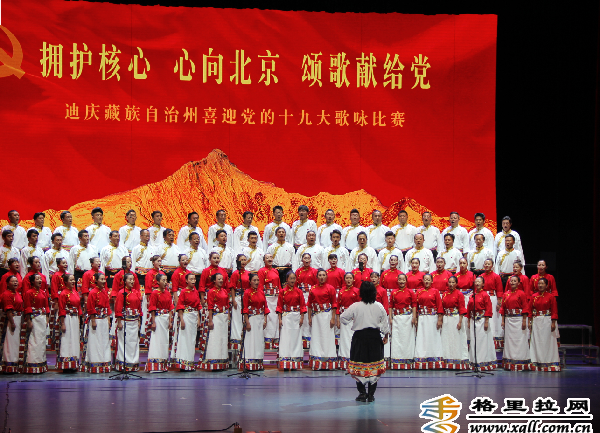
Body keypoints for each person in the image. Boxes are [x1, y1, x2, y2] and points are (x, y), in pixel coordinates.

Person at [341, 281, 389, 403]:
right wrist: (386, 335)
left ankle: (362, 393)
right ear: (374, 292)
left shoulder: (355, 306)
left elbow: (343, 318)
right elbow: (385, 323)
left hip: (360, 337)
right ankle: (371, 395)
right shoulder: (379, 306)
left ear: (361, 292)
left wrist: (354, 320)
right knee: (374, 365)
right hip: (374, 337)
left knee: (359, 364)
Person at [81, 273, 112, 373]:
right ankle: (95, 363)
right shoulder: (93, 292)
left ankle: (104, 362)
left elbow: (107, 306)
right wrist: (93, 320)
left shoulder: (104, 292)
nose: (103, 281)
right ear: (96, 281)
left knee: (104, 341)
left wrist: (108, 319)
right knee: (95, 341)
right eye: (101, 279)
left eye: (104, 279)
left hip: (103, 320)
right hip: (96, 319)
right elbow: (90, 308)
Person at [307, 269, 338, 370]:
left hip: (327, 315)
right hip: (316, 316)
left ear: (326, 276)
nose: (321, 277)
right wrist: (309, 317)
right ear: (317, 277)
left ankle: (328, 361)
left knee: (327, 337)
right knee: (316, 338)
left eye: (323, 275)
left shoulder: (331, 288)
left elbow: (334, 304)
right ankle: (317, 361)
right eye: (320, 275)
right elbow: (309, 304)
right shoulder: (312, 289)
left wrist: (333, 318)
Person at [528, 278, 560, 372]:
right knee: (537, 342)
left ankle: (550, 362)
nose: (540, 285)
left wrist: (553, 322)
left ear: (546, 286)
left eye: (542, 284)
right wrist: (529, 321)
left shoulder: (551, 297)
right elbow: (529, 310)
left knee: (548, 342)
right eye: (539, 283)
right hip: (537, 321)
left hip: (547, 320)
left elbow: (554, 311)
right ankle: (537, 363)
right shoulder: (534, 296)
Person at [200, 273, 231, 370]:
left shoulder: (224, 291)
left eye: (222, 279)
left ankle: (222, 362)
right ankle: (213, 362)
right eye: (219, 279)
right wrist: (210, 320)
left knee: (223, 339)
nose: (221, 280)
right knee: (215, 339)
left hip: (224, 317)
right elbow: (210, 307)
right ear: (214, 281)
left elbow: (227, 304)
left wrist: (228, 316)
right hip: (215, 317)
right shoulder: (211, 291)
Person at [277, 272, 306, 370]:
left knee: (296, 338)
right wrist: (280, 319)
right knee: (286, 338)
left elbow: (302, 305)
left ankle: (295, 361)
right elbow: (279, 306)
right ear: (287, 280)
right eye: (291, 278)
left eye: (294, 278)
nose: (292, 280)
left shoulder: (299, 291)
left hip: (296, 316)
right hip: (286, 316)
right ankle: (285, 362)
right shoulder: (282, 291)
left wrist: (302, 317)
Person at [500, 275, 530, 371]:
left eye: (514, 281)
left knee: (519, 340)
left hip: (519, 319)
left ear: (518, 283)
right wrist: (503, 321)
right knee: (509, 341)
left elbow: (525, 307)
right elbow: (503, 308)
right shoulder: (506, 294)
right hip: (509, 320)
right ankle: (509, 362)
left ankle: (520, 362)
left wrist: (524, 321)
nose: (512, 282)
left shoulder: (521, 293)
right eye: (511, 281)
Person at [414, 274, 444, 369]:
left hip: (432, 318)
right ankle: (422, 360)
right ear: (423, 281)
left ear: (432, 281)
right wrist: (415, 318)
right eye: (425, 280)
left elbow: (439, 306)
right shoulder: (419, 291)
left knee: (433, 337)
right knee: (422, 338)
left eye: (428, 280)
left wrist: (440, 319)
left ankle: (434, 360)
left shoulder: (435, 291)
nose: (427, 281)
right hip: (422, 318)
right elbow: (416, 306)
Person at [172, 274, 202, 371]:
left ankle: (190, 363)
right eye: (191, 279)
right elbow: (180, 306)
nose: (193, 281)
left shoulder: (196, 292)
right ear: (186, 281)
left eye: (194, 279)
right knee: (185, 339)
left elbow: (198, 306)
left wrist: (198, 318)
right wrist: (182, 319)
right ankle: (183, 364)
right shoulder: (183, 292)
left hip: (194, 317)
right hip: (186, 316)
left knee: (192, 340)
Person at [146, 274, 174, 372]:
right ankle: (154, 366)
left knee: (165, 341)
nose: (165, 282)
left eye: (166, 280)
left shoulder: (168, 293)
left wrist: (170, 321)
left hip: (165, 319)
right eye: (163, 280)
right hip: (158, 319)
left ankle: (163, 364)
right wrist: (153, 322)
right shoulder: (154, 293)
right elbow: (152, 308)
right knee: (157, 341)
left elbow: (170, 307)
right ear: (158, 282)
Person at [467, 276, 497, 370]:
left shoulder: (485, 295)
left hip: (482, 320)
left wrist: (486, 321)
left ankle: (483, 361)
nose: (477, 283)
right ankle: (474, 361)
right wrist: (468, 320)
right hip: (473, 320)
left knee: (482, 341)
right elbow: (469, 309)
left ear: (483, 284)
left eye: (479, 282)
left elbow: (488, 308)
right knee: (473, 340)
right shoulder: (472, 295)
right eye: (476, 282)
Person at [22, 274, 50, 373]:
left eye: (40, 279)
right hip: (34, 319)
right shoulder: (29, 293)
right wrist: (29, 321)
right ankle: (32, 364)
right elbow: (28, 307)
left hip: (42, 319)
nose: (40, 280)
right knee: (34, 340)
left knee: (41, 341)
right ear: (32, 281)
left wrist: (47, 319)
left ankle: (41, 363)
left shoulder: (43, 292)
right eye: (37, 279)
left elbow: (46, 307)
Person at [114, 273, 142, 372]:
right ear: (125, 281)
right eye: (130, 279)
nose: (132, 281)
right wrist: (119, 322)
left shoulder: (136, 292)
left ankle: (133, 364)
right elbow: (118, 308)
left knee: (134, 343)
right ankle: (123, 364)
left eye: (133, 279)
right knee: (124, 343)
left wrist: (139, 320)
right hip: (125, 321)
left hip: (134, 322)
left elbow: (139, 307)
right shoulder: (121, 293)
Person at [241, 273, 269, 370]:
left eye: (258, 280)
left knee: (259, 341)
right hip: (252, 319)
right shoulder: (247, 293)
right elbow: (245, 309)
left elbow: (265, 307)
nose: (256, 282)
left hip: (260, 319)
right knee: (251, 340)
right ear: (250, 281)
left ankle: (258, 363)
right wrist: (247, 322)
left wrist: (265, 320)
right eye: (254, 280)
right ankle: (249, 364)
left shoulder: (261, 292)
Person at [389, 273, 417, 370]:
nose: (401, 281)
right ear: (397, 281)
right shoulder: (394, 292)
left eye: (403, 279)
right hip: (397, 318)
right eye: (400, 279)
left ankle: (408, 360)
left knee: (407, 339)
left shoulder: (410, 292)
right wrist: (390, 318)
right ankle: (396, 361)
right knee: (397, 339)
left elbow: (414, 305)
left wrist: (414, 317)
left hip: (408, 318)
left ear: (406, 281)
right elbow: (391, 306)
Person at [441, 276, 469, 370]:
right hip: (446, 318)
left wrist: (460, 321)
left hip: (456, 318)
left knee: (456, 339)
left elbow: (461, 308)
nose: (451, 284)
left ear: (456, 284)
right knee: (447, 339)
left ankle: (458, 359)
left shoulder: (459, 294)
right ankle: (447, 360)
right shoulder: (444, 294)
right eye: (449, 282)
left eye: (453, 282)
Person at [56, 274, 81, 371]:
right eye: (71, 280)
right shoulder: (63, 293)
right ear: (65, 282)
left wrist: (79, 318)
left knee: (75, 340)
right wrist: (63, 323)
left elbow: (79, 307)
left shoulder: (75, 292)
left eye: (73, 280)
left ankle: (74, 363)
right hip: (67, 318)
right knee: (67, 339)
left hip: (74, 318)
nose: (73, 282)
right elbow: (62, 309)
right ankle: (66, 365)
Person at [336, 273, 360, 369]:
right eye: (347, 278)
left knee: (353, 338)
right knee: (344, 339)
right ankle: (344, 361)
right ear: (344, 280)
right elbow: (338, 306)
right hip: (344, 318)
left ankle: (354, 360)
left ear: (353, 280)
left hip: (354, 319)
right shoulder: (341, 291)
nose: (349, 280)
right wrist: (338, 319)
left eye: (350, 278)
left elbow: (359, 305)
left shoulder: (357, 291)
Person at [0, 275, 24, 372]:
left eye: (16, 281)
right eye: (13, 281)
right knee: (9, 342)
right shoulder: (6, 294)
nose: (15, 283)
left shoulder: (17, 293)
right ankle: (8, 365)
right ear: (7, 284)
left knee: (15, 343)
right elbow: (9, 310)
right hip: (11, 320)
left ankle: (15, 364)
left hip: (17, 319)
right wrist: (12, 322)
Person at [259, 254, 281, 349]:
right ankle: (267, 341)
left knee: (276, 318)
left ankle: (275, 340)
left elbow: (279, 285)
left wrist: (281, 296)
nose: (269, 259)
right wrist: (262, 297)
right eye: (267, 258)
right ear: (264, 260)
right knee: (268, 319)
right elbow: (260, 286)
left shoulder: (275, 271)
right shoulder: (261, 271)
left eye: (271, 257)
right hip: (267, 298)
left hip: (276, 297)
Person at [296, 253, 318, 348]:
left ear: (310, 260)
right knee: (303, 317)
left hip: (311, 295)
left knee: (311, 317)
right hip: (301, 296)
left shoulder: (314, 271)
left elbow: (317, 285)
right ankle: (303, 340)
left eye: (308, 258)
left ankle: (312, 340)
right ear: (302, 260)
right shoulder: (298, 271)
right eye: (305, 258)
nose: (306, 260)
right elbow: (295, 285)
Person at [481, 259, 504, 349]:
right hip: (483, 298)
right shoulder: (481, 276)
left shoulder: (496, 276)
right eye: (485, 264)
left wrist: (499, 302)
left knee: (493, 319)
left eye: (489, 264)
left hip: (492, 298)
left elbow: (499, 290)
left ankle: (494, 341)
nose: (487, 265)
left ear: (492, 266)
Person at [229, 254, 250, 351]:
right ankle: (237, 341)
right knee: (237, 319)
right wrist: (233, 300)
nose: (243, 262)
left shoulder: (248, 273)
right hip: (238, 297)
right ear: (237, 261)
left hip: (246, 298)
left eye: (245, 260)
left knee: (246, 318)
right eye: (241, 260)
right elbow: (232, 287)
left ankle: (246, 339)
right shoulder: (235, 273)